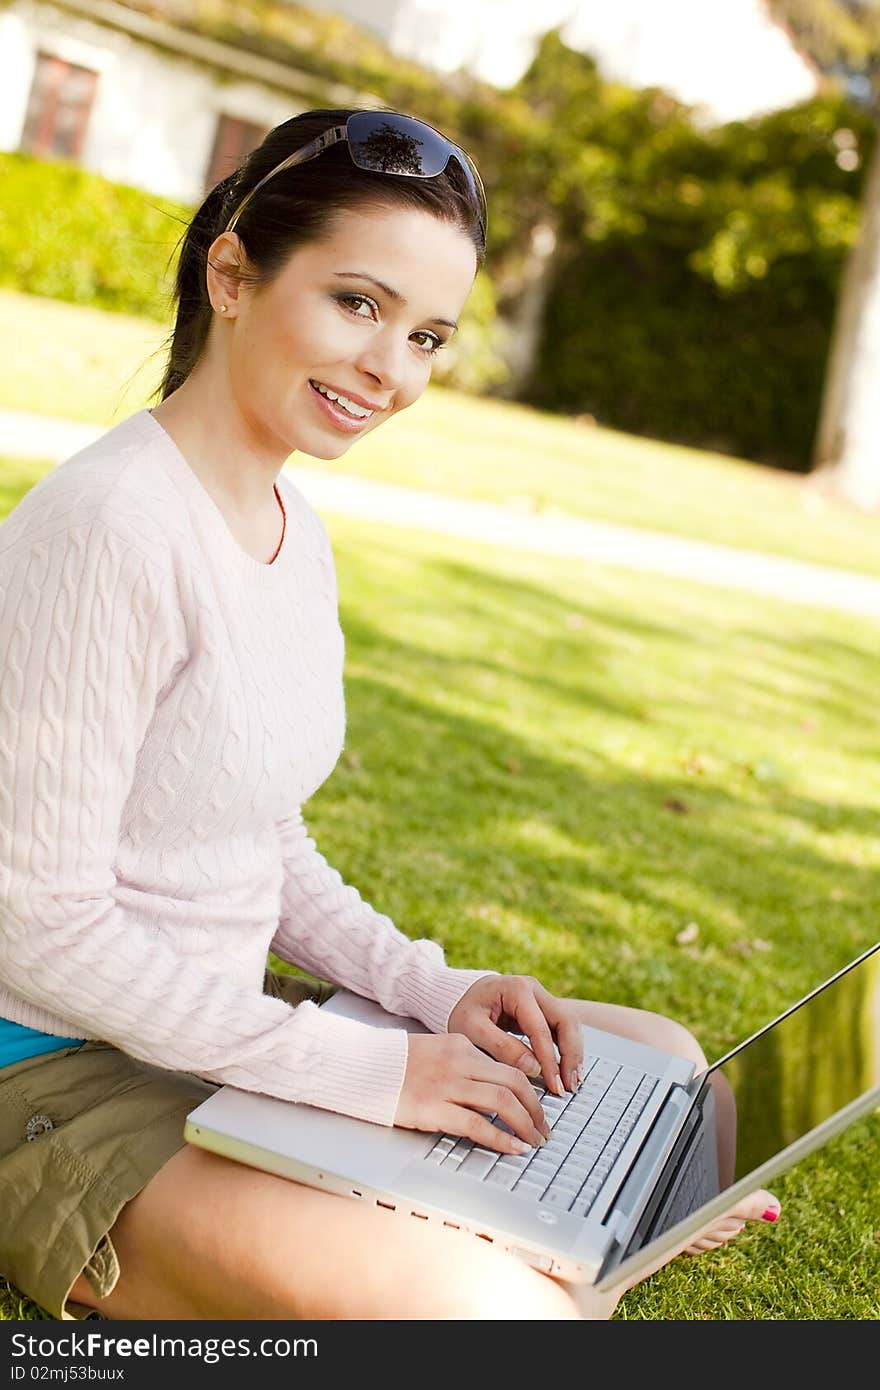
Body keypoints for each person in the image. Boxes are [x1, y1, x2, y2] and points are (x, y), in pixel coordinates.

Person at [0, 107, 780, 1323]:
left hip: (217, 1035)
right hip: (63, 1078)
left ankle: (573, 1232)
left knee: (672, 1070)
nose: (392, 371)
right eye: (358, 306)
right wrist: (370, 1074)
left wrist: (429, 992)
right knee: (501, 1313)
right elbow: (40, 929)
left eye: (426, 336)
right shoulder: (108, 528)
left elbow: (257, 830)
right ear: (233, 274)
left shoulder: (288, 526)